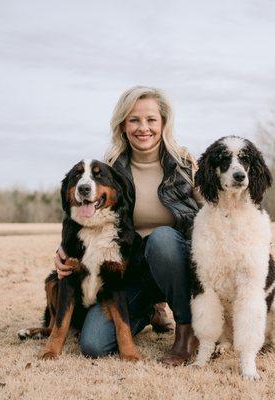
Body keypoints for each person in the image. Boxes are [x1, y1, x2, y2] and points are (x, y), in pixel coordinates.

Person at [54, 86, 200, 365]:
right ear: (122, 124)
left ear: (163, 123)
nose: (143, 128)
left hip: (175, 264)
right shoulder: (109, 169)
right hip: (129, 273)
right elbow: (82, 214)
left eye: (151, 120)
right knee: (94, 345)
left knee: (162, 240)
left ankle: (186, 330)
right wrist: (64, 250)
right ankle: (149, 309)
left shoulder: (185, 165)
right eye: (134, 120)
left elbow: (215, 211)